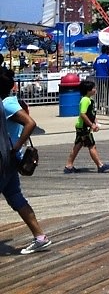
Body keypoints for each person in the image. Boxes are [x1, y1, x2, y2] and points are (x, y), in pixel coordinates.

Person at [0, 67, 52, 254]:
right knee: (16, 197)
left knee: (16, 197)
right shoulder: (10, 100)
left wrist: (15, 147)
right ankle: (40, 237)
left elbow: (30, 123)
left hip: (5, 158)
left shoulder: (7, 105)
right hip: (10, 160)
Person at [64, 79, 109, 173]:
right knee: (92, 145)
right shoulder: (85, 100)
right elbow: (83, 114)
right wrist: (91, 125)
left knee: (78, 145)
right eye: (93, 88)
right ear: (88, 90)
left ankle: (69, 165)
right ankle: (100, 165)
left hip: (83, 127)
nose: (95, 89)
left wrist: (95, 123)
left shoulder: (89, 100)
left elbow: (91, 114)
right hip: (83, 127)